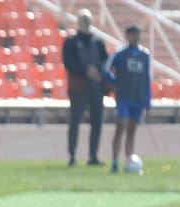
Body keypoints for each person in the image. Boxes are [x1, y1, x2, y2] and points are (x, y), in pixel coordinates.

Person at [62, 9, 110, 166]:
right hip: (79, 87)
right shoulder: (71, 42)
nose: (85, 23)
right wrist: (85, 71)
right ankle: (72, 154)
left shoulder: (98, 42)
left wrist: (98, 72)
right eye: (82, 20)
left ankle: (93, 155)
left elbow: (105, 61)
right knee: (75, 121)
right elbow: (69, 63)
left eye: (87, 20)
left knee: (97, 122)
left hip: (96, 87)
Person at [106, 25, 152, 173]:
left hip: (137, 98)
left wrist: (147, 102)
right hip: (124, 98)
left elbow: (147, 79)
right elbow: (106, 71)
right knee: (120, 128)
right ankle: (114, 162)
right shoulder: (120, 54)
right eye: (133, 34)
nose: (136, 37)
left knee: (131, 131)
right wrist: (115, 84)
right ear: (128, 36)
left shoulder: (145, 55)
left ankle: (129, 162)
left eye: (138, 34)